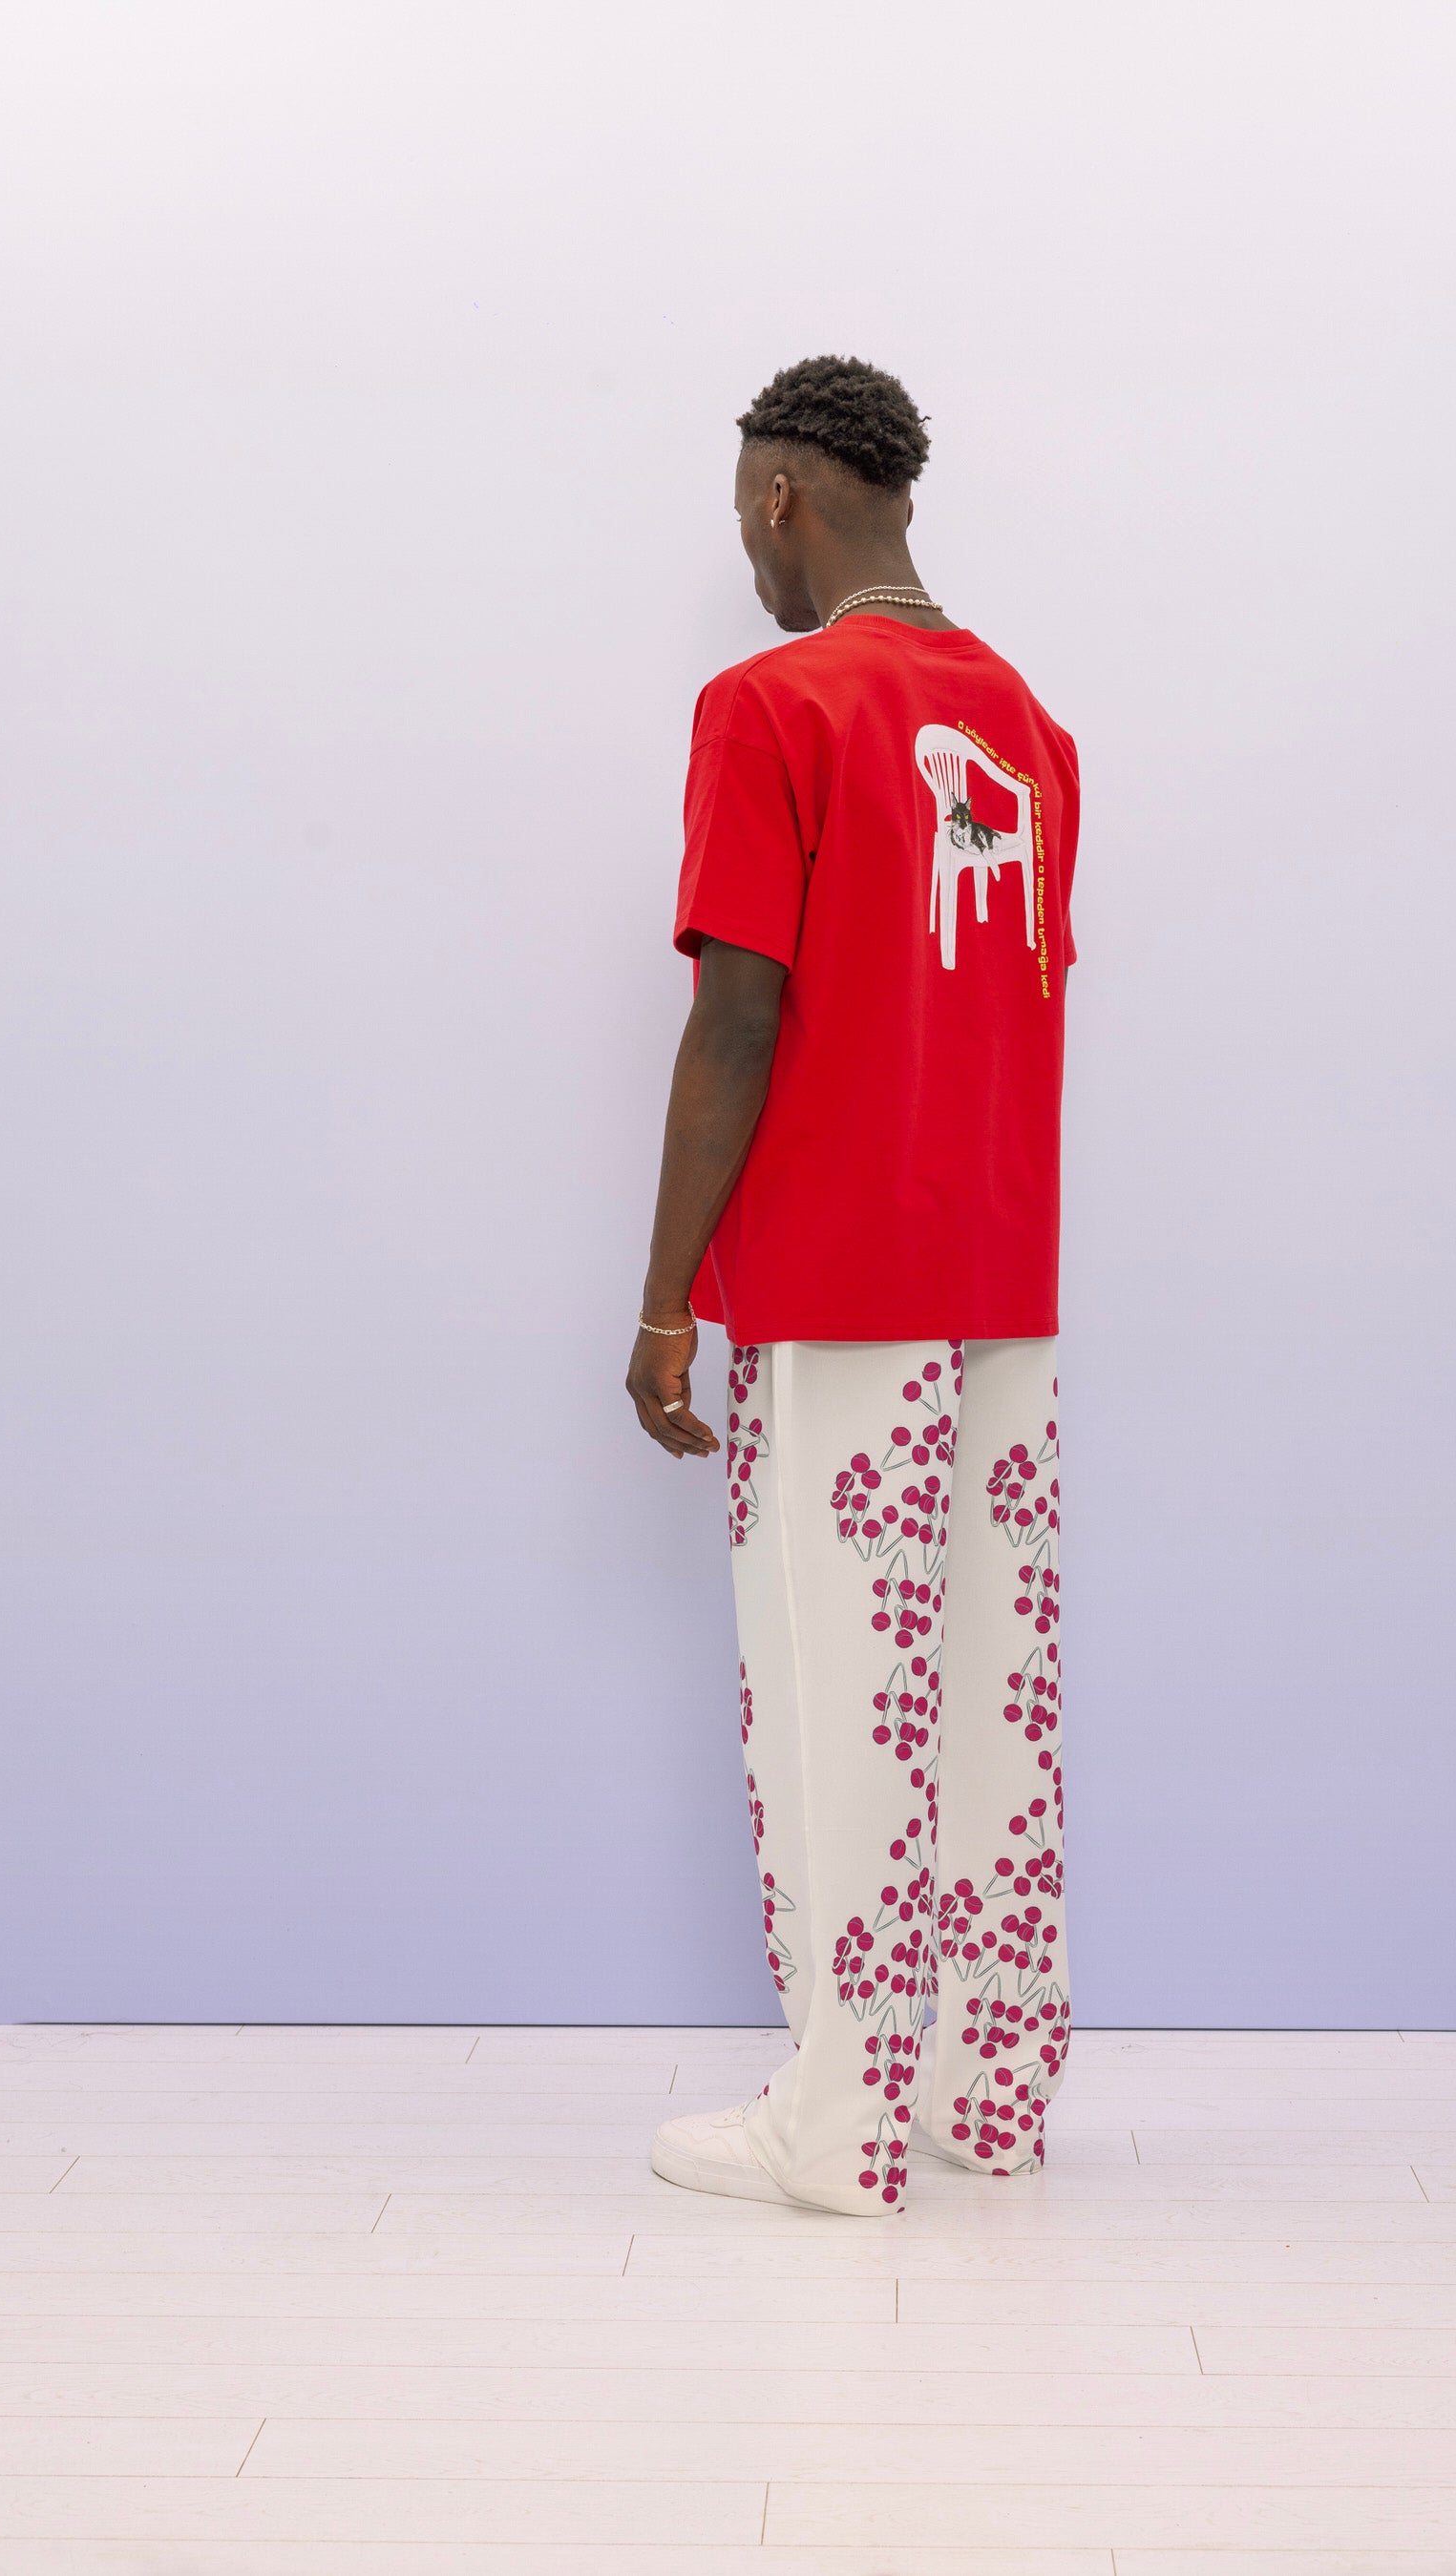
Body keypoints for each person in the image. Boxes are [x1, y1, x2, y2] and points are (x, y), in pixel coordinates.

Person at [626, 354, 1080, 2217]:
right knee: (987, 1689)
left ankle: (836, 2122)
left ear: (781, 500)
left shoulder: (771, 706)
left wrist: (666, 1301)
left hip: (835, 1278)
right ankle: (986, 2089)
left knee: (838, 1689)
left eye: (746, 517)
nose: (746, 554)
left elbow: (739, 1015)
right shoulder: (1032, 725)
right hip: (1001, 1280)